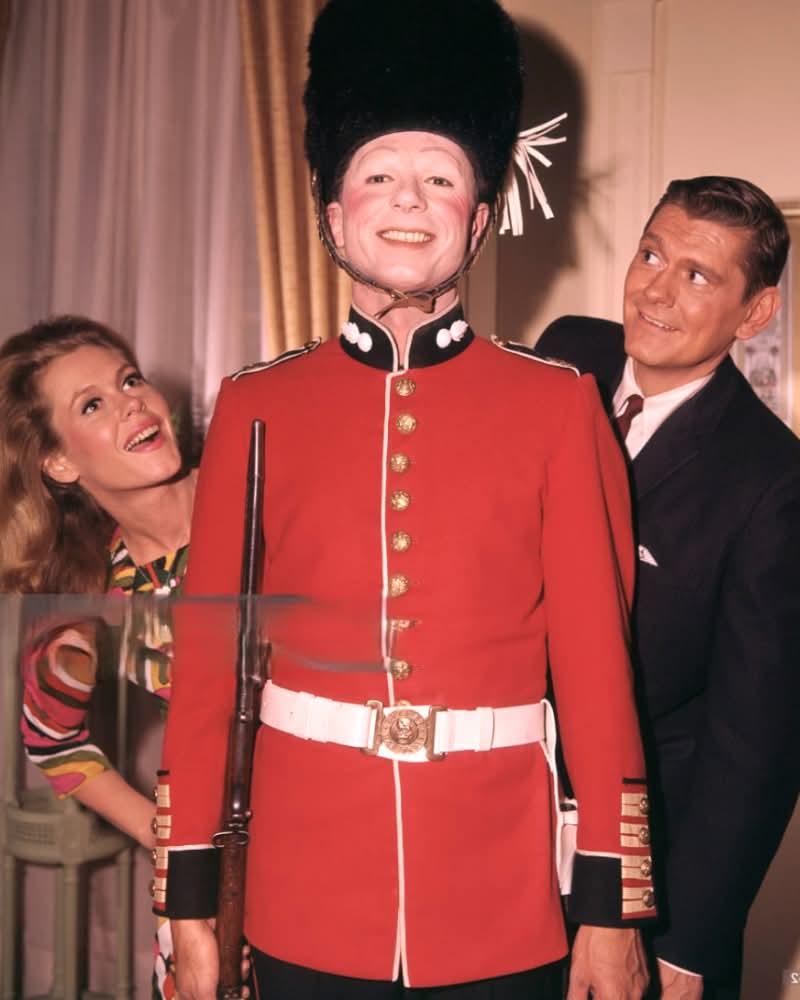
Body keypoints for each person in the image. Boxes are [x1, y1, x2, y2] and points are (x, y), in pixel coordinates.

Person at [158, 2, 657, 998]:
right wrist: (188, 902)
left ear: (480, 217)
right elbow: (208, 673)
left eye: (440, 177)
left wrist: (610, 909)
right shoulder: (255, 404)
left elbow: (599, 675)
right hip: (302, 894)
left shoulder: (558, 405)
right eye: (378, 174)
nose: (409, 200)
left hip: (500, 898)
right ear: (332, 212)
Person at [536, 176, 800, 999]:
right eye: (651, 254)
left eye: (697, 275)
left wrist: (689, 945)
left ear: (754, 314)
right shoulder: (565, 355)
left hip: (654, 877)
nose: (655, 291)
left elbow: (756, 742)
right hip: (498, 839)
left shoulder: (772, 481)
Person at [0, 314, 193, 998]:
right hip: (219, 881)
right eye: (92, 405)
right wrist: (160, 832)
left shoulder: (264, 494)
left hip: (368, 825)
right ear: (59, 463)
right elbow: (50, 737)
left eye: (130, 380)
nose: (131, 403)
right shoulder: (95, 595)